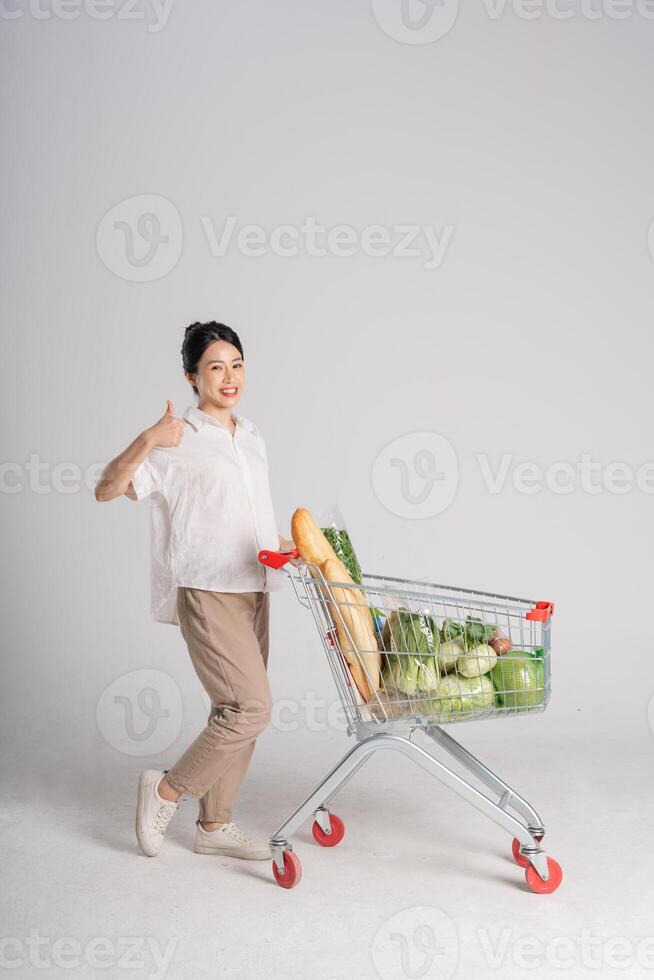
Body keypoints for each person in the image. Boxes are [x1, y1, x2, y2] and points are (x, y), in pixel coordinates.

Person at [95, 321, 297, 860]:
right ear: (192, 376)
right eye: (215, 366)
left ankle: (213, 826)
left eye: (236, 364)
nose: (229, 376)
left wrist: (292, 545)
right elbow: (106, 489)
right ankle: (165, 789)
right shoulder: (177, 439)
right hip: (206, 588)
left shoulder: (251, 436)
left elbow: (245, 518)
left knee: (233, 711)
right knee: (251, 707)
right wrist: (146, 440)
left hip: (255, 584)